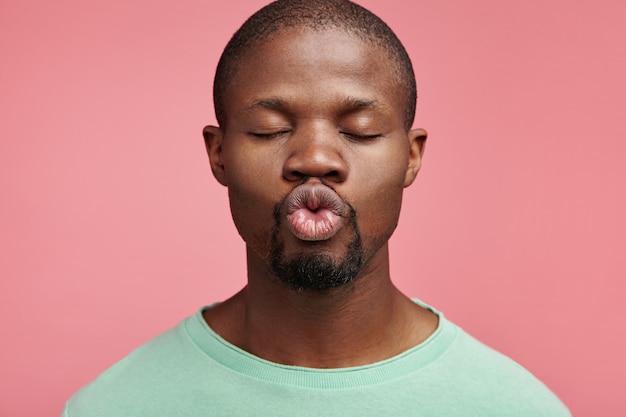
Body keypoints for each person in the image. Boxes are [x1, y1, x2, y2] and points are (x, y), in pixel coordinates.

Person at [62, 1, 570, 415]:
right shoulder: (113, 406)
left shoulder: (514, 407)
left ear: (411, 157)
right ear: (219, 154)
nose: (315, 159)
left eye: (360, 131)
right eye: (270, 129)